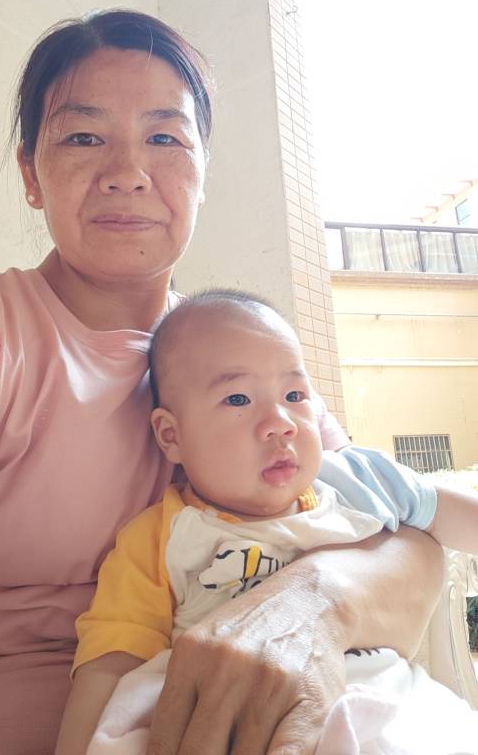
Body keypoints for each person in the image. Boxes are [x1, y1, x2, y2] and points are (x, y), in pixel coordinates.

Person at [0, 10, 443, 755]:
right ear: (30, 175)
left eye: (165, 138)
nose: (127, 171)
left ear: (203, 174)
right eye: (84, 137)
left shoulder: (240, 355)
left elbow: (409, 549)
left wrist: (311, 606)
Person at [56, 290, 478, 755]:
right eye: (238, 398)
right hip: (233, 720)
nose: (281, 422)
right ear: (171, 435)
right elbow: (110, 666)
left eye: (295, 395)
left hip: (384, 702)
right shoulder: (159, 539)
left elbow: (456, 515)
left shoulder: (356, 482)